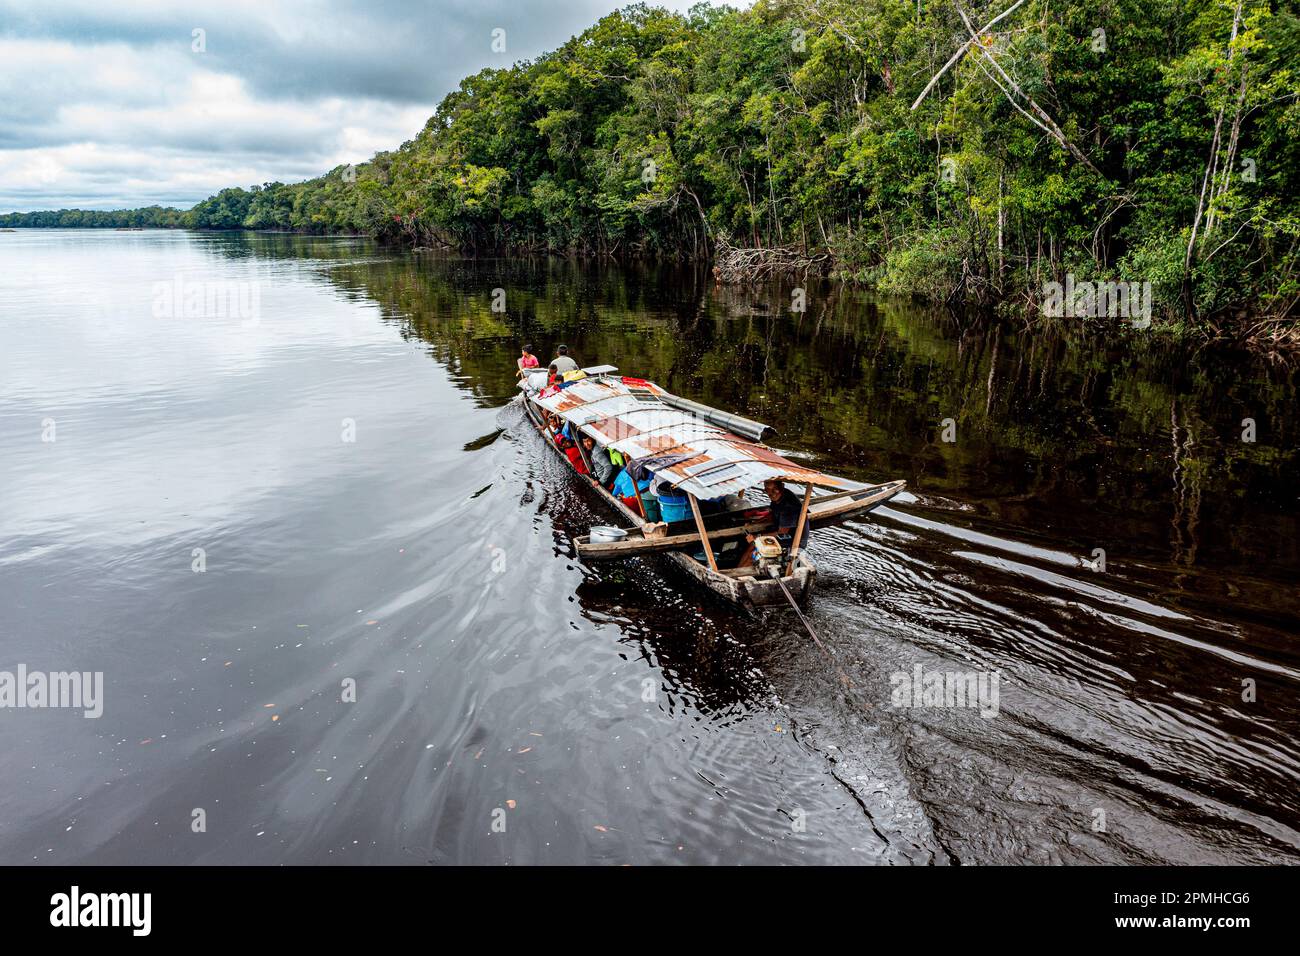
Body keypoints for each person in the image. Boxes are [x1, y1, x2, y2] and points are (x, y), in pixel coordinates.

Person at [737, 479, 807, 568]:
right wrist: (755, 523)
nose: (772, 493)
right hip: (782, 534)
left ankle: (739, 576)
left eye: (775, 489)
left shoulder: (789, 505)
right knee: (752, 545)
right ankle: (738, 569)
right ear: (765, 490)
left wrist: (757, 537)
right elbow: (772, 514)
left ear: (781, 487)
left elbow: (782, 533)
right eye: (768, 490)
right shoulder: (778, 498)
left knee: (754, 553)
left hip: (792, 541)